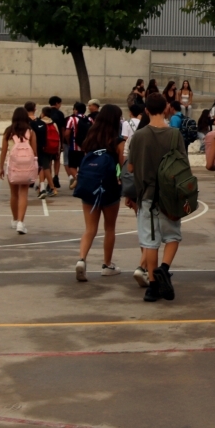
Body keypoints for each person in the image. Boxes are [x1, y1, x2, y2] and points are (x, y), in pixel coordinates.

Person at [124, 93, 186, 301]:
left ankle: (152, 284)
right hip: (169, 195)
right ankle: (164, 268)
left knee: (150, 241)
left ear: (146, 110)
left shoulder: (139, 136)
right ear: (167, 107)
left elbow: (130, 167)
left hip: (147, 194)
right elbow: (183, 166)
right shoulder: (175, 135)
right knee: (173, 236)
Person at [73, 104, 125, 283]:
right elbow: (122, 166)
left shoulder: (91, 137)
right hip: (109, 187)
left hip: (89, 186)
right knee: (109, 228)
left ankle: (81, 259)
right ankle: (107, 264)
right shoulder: (118, 141)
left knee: (90, 229)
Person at [0, 107, 38, 234]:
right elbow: (34, 152)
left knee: (14, 194)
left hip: (13, 166)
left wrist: (1, 168)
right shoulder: (31, 132)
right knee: (23, 194)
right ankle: (21, 222)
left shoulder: (8, 132)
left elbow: (4, 151)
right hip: (27, 167)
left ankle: (15, 220)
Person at [34, 105, 60, 199]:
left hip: (42, 148)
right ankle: (41, 188)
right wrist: (57, 150)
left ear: (43, 113)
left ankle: (53, 188)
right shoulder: (53, 123)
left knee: (45, 168)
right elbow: (58, 137)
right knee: (46, 167)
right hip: (52, 148)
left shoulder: (40, 123)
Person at [63, 101, 89, 190]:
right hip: (86, 148)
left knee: (72, 166)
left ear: (76, 110)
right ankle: (82, 180)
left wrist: (69, 142)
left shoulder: (72, 119)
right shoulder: (89, 120)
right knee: (83, 166)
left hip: (74, 146)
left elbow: (67, 133)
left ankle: (79, 179)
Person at [48, 96, 66, 192]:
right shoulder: (60, 114)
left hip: (47, 140)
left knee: (48, 160)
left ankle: (49, 178)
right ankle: (56, 176)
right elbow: (62, 129)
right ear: (57, 103)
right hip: (57, 139)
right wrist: (62, 142)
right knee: (57, 158)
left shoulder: (46, 112)